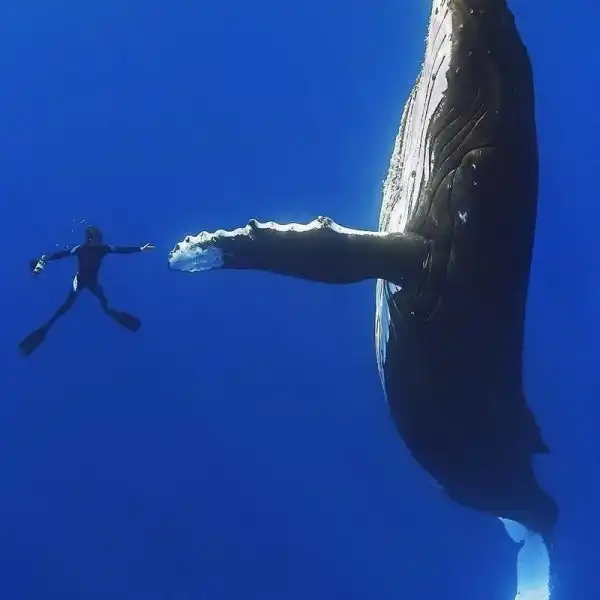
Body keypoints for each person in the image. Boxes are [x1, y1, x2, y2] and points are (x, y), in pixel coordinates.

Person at [19, 225, 155, 356]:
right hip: (79, 282)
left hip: (92, 283)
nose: (100, 240)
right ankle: (46, 327)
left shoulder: (103, 249)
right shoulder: (81, 249)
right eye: (98, 238)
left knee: (105, 305)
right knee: (66, 307)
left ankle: (116, 315)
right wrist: (44, 259)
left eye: (100, 238)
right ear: (90, 239)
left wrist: (140, 249)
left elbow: (121, 250)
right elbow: (61, 254)